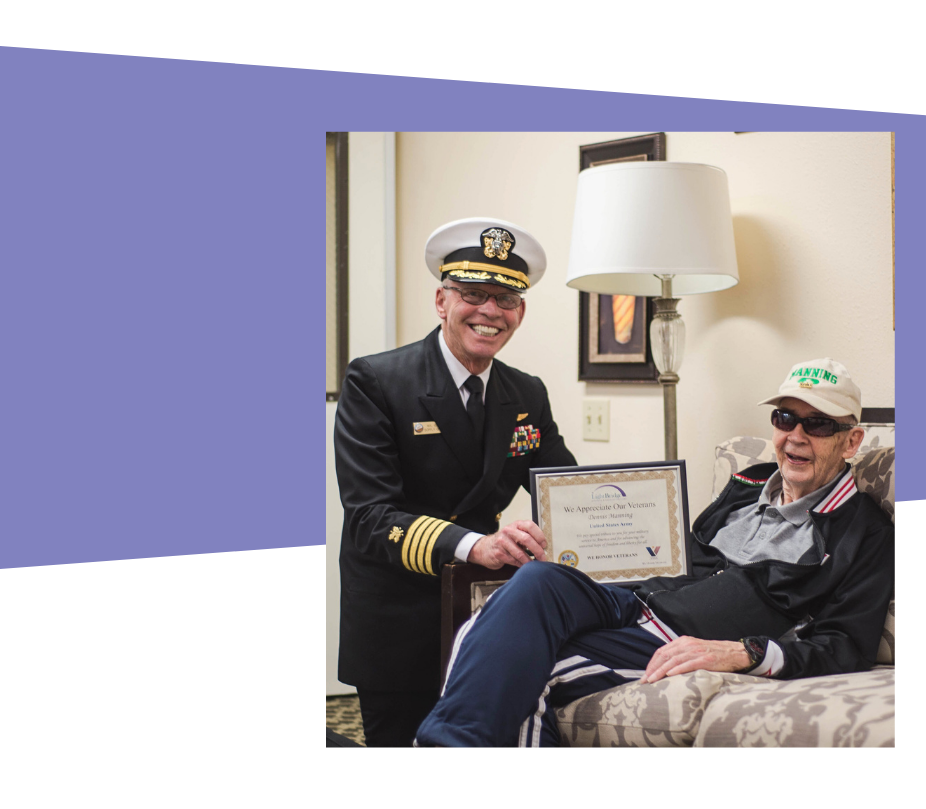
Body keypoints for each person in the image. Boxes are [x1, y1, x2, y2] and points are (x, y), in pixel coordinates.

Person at [415, 358, 895, 748]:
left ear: (852, 440)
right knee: (537, 581)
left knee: (517, 660)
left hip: (676, 633)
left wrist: (745, 652)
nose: (795, 436)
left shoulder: (862, 529)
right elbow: (683, 553)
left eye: (818, 424)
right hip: (634, 598)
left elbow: (846, 646)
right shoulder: (749, 481)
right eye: (785, 418)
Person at [334, 218, 577, 747]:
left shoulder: (526, 393)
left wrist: (635, 526)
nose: (490, 311)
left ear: (521, 312)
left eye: (506, 299)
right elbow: (371, 517)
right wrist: (477, 546)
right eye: (473, 294)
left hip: (484, 617)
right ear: (442, 301)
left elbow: (564, 489)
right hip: (398, 615)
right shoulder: (377, 381)